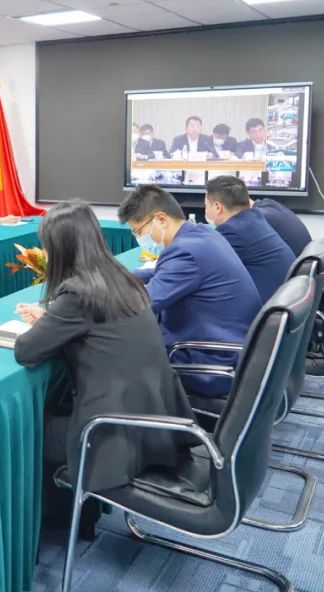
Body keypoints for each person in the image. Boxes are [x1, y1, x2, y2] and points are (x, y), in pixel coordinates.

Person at [13, 200, 195, 500]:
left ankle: (51, 521)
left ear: (60, 248)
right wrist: (53, 319)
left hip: (110, 435)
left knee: (21, 429)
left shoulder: (77, 292)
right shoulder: (119, 277)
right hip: (154, 423)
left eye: (46, 246)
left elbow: (26, 351)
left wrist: (49, 322)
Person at [117, 184, 261, 396]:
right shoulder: (201, 233)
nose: (140, 239)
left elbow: (141, 305)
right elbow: (161, 270)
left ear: (161, 220)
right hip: (234, 348)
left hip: (211, 363)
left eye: (138, 232)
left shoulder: (185, 252)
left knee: (118, 351)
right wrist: (119, 277)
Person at [204, 176, 295, 304]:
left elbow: (205, 270)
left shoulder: (233, 231)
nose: (206, 210)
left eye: (206, 206)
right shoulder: (254, 217)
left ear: (218, 207)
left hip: (262, 307)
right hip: (282, 298)